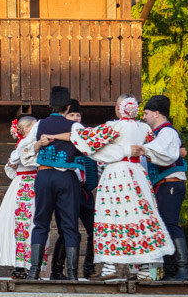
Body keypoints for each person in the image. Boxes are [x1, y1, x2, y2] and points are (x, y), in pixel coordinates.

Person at [72, 94, 175, 280]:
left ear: (119, 109)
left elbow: (90, 142)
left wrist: (75, 128)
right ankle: (145, 270)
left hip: (116, 174)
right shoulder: (144, 129)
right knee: (140, 216)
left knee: (111, 215)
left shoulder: (115, 126)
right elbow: (159, 149)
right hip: (137, 174)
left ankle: (109, 268)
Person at [24, 86, 84, 281]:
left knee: (40, 223)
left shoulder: (40, 124)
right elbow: (87, 144)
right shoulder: (74, 126)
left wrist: (40, 144)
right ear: (67, 107)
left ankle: (34, 271)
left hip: (43, 175)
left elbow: (26, 149)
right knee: (69, 225)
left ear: (50, 105)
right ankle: (73, 274)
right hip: (66, 176)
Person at [132, 94, 188, 281]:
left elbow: (162, 151)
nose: (144, 117)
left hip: (170, 183)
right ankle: (171, 270)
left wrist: (143, 149)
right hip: (164, 185)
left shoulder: (167, 132)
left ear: (156, 114)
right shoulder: (159, 134)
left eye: (146, 113)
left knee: (170, 224)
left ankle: (183, 269)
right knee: (164, 225)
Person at [0, 117, 40, 278]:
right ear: (26, 129)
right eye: (34, 125)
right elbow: (12, 164)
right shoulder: (25, 143)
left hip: (31, 182)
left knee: (31, 223)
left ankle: (30, 265)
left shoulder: (32, 143)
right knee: (22, 223)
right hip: (25, 185)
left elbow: (13, 165)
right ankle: (21, 265)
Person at [50, 100, 97, 280]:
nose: (76, 118)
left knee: (95, 229)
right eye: (72, 115)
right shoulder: (60, 141)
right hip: (67, 191)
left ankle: (89, 268)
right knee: (66, 230)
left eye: (78, 115)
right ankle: (57, 271)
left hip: (85, 192)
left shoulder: (85, 141)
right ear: (65, 117)